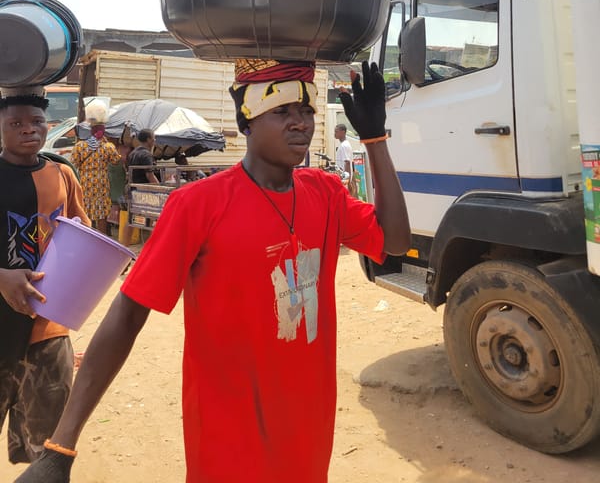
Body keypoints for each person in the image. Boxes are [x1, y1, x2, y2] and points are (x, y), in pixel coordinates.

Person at [15, 60, 410, 483]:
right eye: (281, 112)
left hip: (307, 421)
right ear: (247, 123)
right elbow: (128, 315)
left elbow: (395, 242)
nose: (300, 124)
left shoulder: (326, 193)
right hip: (227, 432)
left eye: (307, 111)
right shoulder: (198, 204)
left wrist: (375, 139)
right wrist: (61, 445)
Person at [0, 91, 89, 470]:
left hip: (47, 324)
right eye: (15, 124)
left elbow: (81, 231)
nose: (28, 130)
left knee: (45, 431)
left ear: (48, 125)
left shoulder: (61, 172)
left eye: (36, 122)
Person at [70, 106, 121, 236]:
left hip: (85, 183)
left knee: (85, 209)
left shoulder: (80, 146)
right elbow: (116, 161)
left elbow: (73, 164)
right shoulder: (108, 147)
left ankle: (85, 236)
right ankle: (101, 238)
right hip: (101, 184)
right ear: (103, 132)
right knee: (101, 213)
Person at [334, 122, 354, 190]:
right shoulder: (344, 144)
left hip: (344, 180)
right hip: (343, 179)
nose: (335, 133)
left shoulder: (344, 146)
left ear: (343, 132)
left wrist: (347, 182)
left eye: (336, 131)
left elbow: (347, 163)